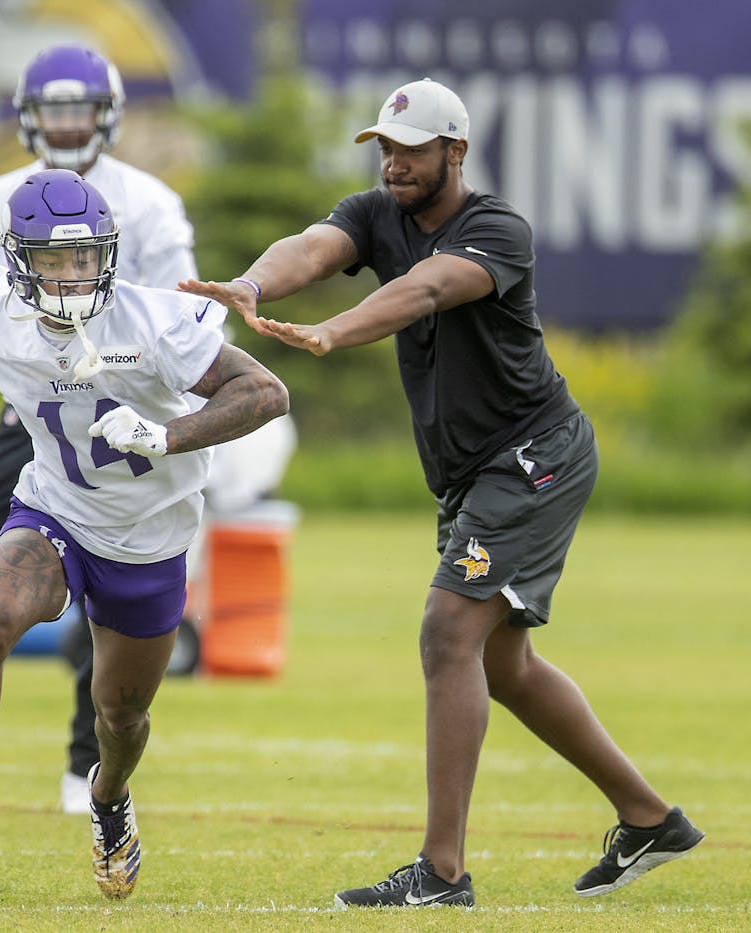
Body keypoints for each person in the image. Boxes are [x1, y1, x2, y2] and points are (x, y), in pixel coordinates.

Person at [179, 77, 704, 907]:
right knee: (503, 661)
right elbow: (311, 247)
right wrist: (251, 285)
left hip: (534, 457)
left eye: (413, 150)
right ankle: (648, 818)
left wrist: (333, 330)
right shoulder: (375, 211)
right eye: (386, 148)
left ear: (454, 152)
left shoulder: (496, 229)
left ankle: (444, 872)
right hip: (477, 472)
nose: (394, 164)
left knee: (446, 632)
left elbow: (422, 290)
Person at [0, 168, 288, 899]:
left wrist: (166, 436)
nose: (73, 276)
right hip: (55, 509)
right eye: (53, 260)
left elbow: (266, 391)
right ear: (16, 260)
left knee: (121, 714)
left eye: (85, 258)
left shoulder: (154, 320)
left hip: (150, 536)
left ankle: (108, 799)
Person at [0, 43, 211, 817]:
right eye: (50, 110)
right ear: (26, 118)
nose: (64, 125)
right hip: (33, 408)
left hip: (125, 410)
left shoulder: (149, 202)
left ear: (109, 115)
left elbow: (175, 310)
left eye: (78, 109)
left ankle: (83, 764)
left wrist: (154, 408)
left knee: (113, 588)